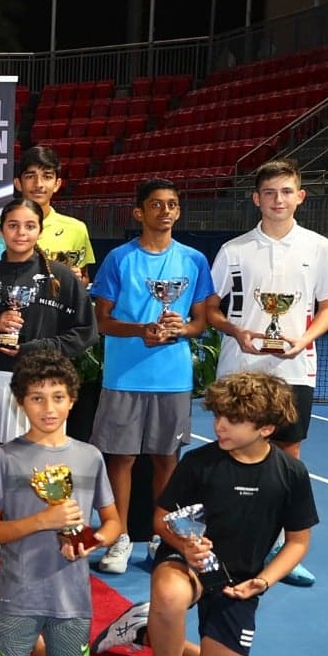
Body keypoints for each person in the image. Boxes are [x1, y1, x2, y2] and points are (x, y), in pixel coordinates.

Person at [92, 373, 317, 656]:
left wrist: (263, 581)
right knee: (170, 593)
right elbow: (161, 519)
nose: (219, 425)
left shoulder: (291, 474)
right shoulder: (199, 462)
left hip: (240, 579)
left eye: (233, 420)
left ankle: (144, 630)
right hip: (188, 564)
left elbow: (297, 542)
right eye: (218, 415)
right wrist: (184, 546)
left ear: (266, 428)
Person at [205, 157, 328, 587]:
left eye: (286, 192)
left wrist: (304, 339)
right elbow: (211, 309)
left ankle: (283, 547)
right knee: (230, 450)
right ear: (256, 199)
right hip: (240, 368)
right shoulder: (233, 251)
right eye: (269, 193)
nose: (278, 200)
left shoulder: (319, 248)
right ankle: (221, 539)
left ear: (300, 196)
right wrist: (236, 330)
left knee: (288, 458)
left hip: (295, 370)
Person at [0, 353, 121, 656]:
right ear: (20, 402)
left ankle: (35, 646)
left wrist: (94, 541)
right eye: (37, 398)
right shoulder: (6, 457)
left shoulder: (90, 457)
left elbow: (114, 522)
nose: (48, 408)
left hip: (72, 597)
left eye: (58, 397)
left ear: (72, 400)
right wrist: (42, 521)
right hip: (19, 594)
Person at [88, 180, 214, 577]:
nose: (165, 211)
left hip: (172, 378)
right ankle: (120, 535)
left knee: (166, 458)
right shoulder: (119, 259)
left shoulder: (194, 260)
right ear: (139, 212)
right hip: (124, 375)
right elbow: (102, 320)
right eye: (156, 204)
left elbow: (201, 322)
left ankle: (163, 535)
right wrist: (140, 330)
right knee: (121, 458)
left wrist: (181, 329)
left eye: (172, 204)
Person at [0, 198, 96, 456]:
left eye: (29, 226)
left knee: (38, 464)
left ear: (40, 231)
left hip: (43, 384)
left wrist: (36, 349)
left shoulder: (62, 277)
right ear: (0, 231)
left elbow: (86, 332)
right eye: (13, 225)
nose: (21, 232)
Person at [0, 146, 94, 273]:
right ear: (18, 183)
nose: (38, 184)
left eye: (47, 176)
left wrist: (76, 278)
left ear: (57, 184)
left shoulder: (76, 229)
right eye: (30, 176)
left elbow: (85, 278)